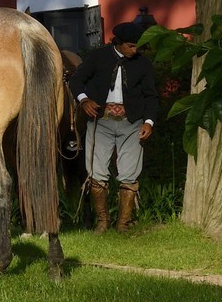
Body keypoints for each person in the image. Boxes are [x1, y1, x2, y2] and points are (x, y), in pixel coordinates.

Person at [68, 21, 160, 233]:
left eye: (137, 46)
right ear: (117, 42)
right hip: (101, 120)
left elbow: (151, 96)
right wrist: (83, 100)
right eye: (130, 45)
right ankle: (102, 221)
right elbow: (76, 80)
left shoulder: (143, 64)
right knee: (97, 171)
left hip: (132, 122)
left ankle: (123, 224)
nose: (134, 50)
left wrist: (149, 121)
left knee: (129, 173)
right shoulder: (97, 57)